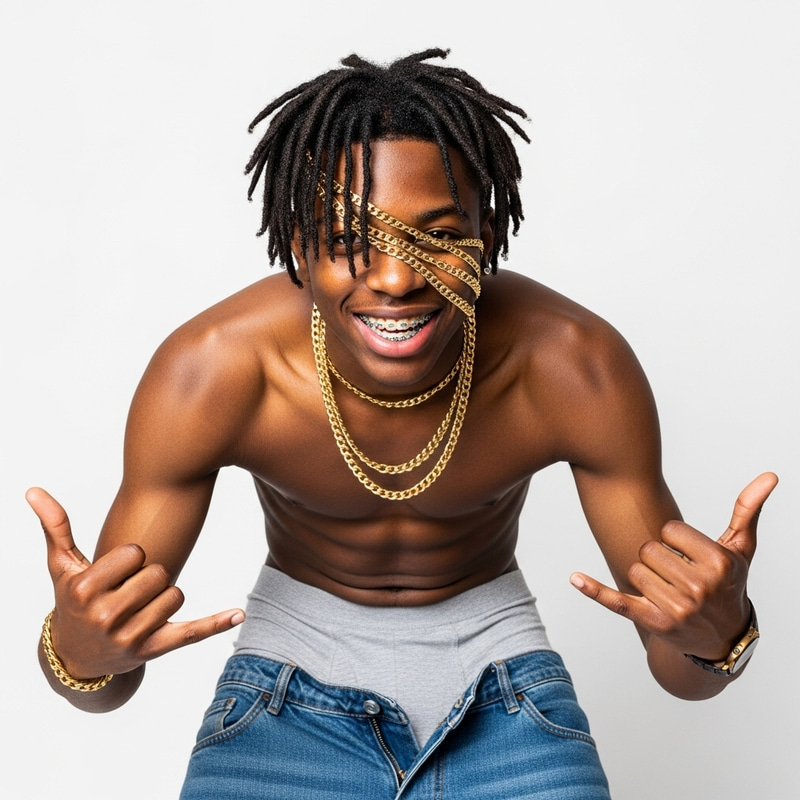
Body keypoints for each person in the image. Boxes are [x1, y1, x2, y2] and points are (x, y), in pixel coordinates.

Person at [29, 48, 776, 799]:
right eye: (349, 241)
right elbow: (104, 681)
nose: (395, 279)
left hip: (509, 701)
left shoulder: (572, 366)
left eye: (437, 238)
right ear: (297, 245)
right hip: (281, 705)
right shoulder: (214, 371)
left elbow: (683, 674)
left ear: (489, 235)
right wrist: (78, 652)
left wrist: (721, 636)